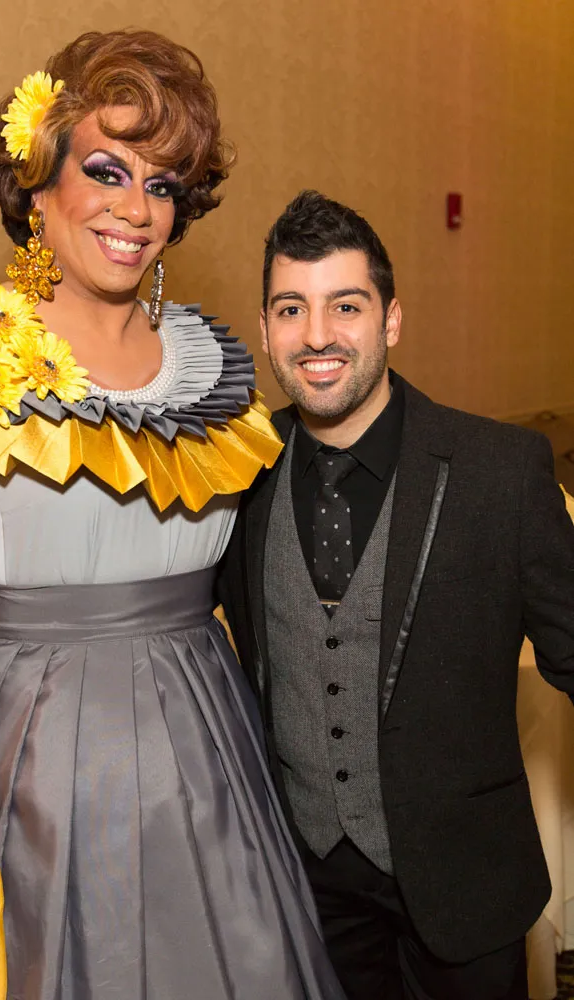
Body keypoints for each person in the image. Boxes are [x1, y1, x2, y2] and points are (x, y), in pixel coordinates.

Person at [0, 38, 345, 1000]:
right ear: (36, 181)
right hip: (11, 750)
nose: (136, 210)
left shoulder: (212, 372)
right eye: (106, 171)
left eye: (163, 185)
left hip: (200, 755)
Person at [218, 189, 574, 1000]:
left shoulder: (500, 472)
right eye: (290, 309)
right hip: (305, 889)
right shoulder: (233, 473)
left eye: (345, 306)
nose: (316, 335)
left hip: (464, 888)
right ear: (265, 328)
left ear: (390, 320)